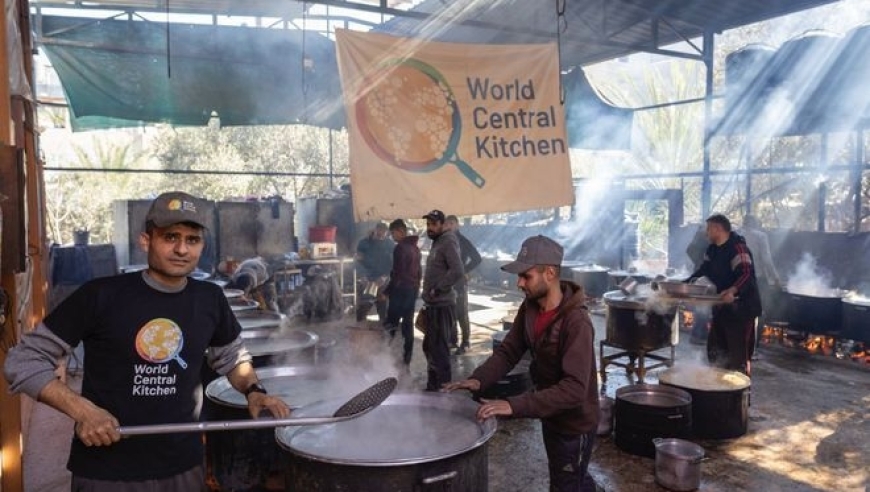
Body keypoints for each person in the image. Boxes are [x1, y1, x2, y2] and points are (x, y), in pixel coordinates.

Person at [3, 191, 291, 492]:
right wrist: (83, 411)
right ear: (146, 240)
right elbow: (23, 360)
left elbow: (231, 356)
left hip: (183, 464)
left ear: (201, 246)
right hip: (108, 469)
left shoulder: (209, 299)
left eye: (192, 240)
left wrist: (254, 391)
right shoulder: (101, 295)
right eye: (170, 237)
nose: (181, 249)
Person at [444, 235, 599, 492]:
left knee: (566, 481)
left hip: (574, 424)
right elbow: (509, 351)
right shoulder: (530, 308)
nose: (518, 283)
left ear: (549, 273)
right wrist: (479, 379)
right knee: (567, 475)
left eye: (526, 276)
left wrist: (513, 405)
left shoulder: (576, 322)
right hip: (550, 413)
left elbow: (574, 389)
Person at [686, 214, 762, 375]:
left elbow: (746, 274)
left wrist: (733, 290)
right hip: (722, 308)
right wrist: (684, 284)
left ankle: (740, 395)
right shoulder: (712, 250)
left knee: (738, 358)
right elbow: (703, 270)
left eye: (708, 229)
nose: (706, 233)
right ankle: (719, 391)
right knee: (715, 351)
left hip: (742, 310)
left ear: (718, 229)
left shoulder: (737, 248)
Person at [420, 209, 464, 391]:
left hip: (442, 305)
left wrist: (438, 288)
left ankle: (444, 392)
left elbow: (457, 270)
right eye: (428, 224)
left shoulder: (448, 241)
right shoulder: (437, 242)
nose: (430, 228)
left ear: (443, 225)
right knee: (430, 348)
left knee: (439, 350)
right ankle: (433, 387)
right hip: (433, 305)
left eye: (433, 224)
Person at [381, 219, 422, 366]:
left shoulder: (400, 248)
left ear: (401, 231)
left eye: (393, 233)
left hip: (400, 291)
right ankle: (407, 358)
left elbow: (397, 274)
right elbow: (419, 272)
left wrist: (387, 292)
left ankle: (384, 355)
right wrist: (416, 289)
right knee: (407, 324)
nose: (392, 237)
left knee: (391, 323)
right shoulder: (415, 248)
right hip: (411, 291)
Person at [444, 215, 482, 355]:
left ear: (457, 225)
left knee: (461, 312)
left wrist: (464, 270)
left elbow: (477, 258)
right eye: (446, 224)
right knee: (450, 311)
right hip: (446, 282)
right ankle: (452, 340)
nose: (448, 226)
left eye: (451, 224)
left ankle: (465, 342)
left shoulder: (463, 241)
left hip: (459, 282)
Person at [355, 222, 394, 322]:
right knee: (364, 306)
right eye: (379, 232)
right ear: (375, 230)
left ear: (387, 233)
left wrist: (385, 276)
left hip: (382, 281)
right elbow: (357, 261)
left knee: (383, 308)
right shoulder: (364, 243)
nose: (381, 235)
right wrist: (362, 276)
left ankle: (383, 330)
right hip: (366, 280)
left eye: (383, 233)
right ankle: (359, 329)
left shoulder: (390, 244)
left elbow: (393, 264)